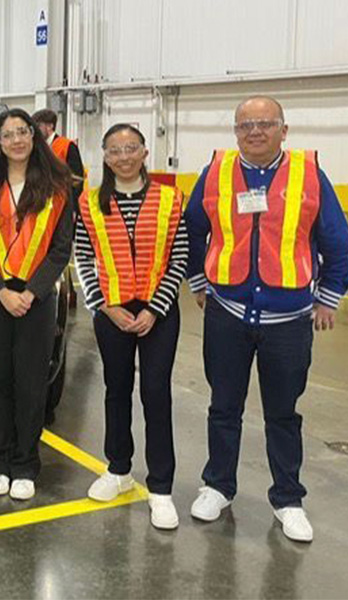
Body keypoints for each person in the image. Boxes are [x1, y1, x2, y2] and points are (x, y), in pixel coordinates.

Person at [185, 96, 348, 542]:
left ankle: (288, 499)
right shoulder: (215, 172)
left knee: (283, 413)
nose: (254, 132)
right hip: (227, 315)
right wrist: (199, 281)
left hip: (289, 322)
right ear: (236, 132)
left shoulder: (309, 173)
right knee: (223, 406)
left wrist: (329, 298)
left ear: (284, 129)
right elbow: (192, 228)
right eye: (245, 125)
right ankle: (218, 486)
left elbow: (337, 239)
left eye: (265, 124)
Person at [74, 123, 187, 530]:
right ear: (104, 157)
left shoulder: (171, 200)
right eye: (115, 150)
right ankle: (118, 470)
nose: (124, 156)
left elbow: (180, 257)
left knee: (156, 392)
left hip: (159, 312)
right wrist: (105, 306)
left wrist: (155, 309)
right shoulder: (89, 203)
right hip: (112, 312)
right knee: (116, 389)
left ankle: (161, 488)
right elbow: (83, 259)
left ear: (144, 153)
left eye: (131, 148)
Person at [0, 108, 73, 501]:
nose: (17, 140)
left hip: (36, 296)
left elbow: (61, 249)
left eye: (23, 132)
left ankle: (26, 463)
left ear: (34, 136)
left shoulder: (58, 187)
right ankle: (0, 461)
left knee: (31, 381)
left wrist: (32, 292)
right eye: (8, 134)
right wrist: (0, 291)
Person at [32, 108, 85, 200]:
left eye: (38, 126)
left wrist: (71, 204)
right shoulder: (35, 148)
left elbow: (78, 179)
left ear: (50, 126)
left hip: (63, 200)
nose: (35, 130)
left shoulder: (67, 146)